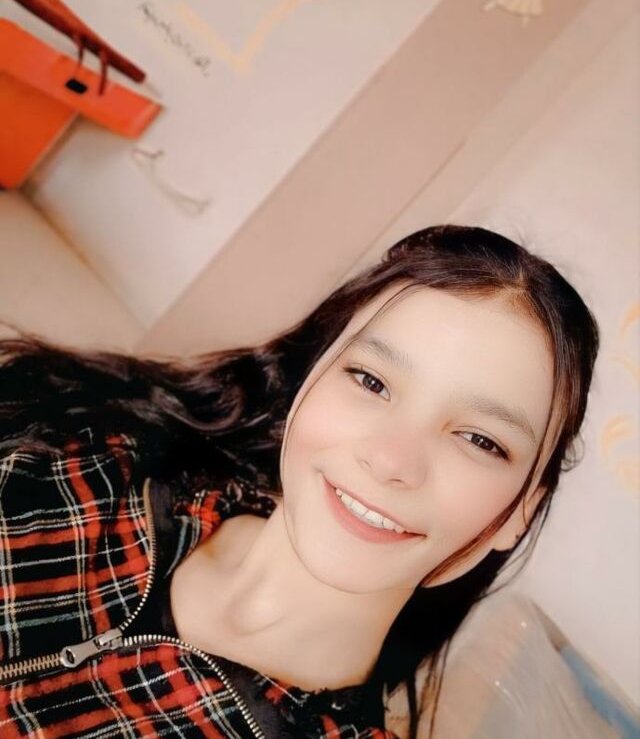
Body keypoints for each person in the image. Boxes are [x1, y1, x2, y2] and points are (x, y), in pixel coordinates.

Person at [0, 224, 600, 738]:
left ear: (521, 512)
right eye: (371, 381)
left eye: (479, 440)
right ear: (309, 377)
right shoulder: (80, 456)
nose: (390, 459)